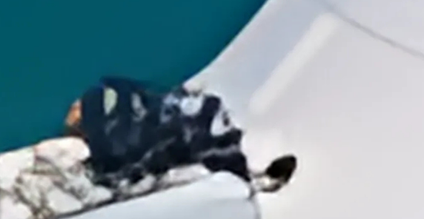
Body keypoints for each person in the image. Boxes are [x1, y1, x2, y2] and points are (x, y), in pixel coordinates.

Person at [64, 78, 295, 192]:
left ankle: (254, 178)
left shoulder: (114, 123)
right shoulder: (107, 141)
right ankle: (255, 182)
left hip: (169, 137)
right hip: (165, 147)